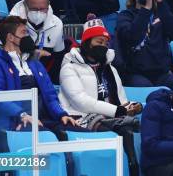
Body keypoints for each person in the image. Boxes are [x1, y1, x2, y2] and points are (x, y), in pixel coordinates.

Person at [59, 18, 142, 175]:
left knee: (136, 126)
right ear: (87, 42)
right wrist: (117, 111)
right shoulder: (69, 68)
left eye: (105, 43)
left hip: (108, 116)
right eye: (99, 41)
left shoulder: (111, 70)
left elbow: (121, 102)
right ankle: (133, 169)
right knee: (122, 130)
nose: (103, 46)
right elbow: (80, 101)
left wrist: (133, 106)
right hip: (80, 118)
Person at [0, 16, 82, 145]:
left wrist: (61, 114)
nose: (28, 37)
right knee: (51, 140)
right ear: (10, 37)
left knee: (78, 132)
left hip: (44, 119)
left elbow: (50, 95)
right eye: (24, 33)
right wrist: (21, 114)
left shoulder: (34, 63)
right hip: (14, 122)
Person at [116, 0, 173, 88]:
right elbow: (132, 38)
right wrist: (145, 9)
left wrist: (160, 2)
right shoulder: (125, 16)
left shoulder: (160, 14)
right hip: (136, 74)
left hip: (162, 74)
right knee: (148, 90)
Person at [0, 0, 66, 81]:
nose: (39, 13)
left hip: (43, 77)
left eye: (42, 9)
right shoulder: (7, 25)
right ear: (25, 5)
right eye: (34, 9)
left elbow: (58, 58)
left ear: (48, 4)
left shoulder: (57, 24)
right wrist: (32, 54)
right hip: (14, 76)